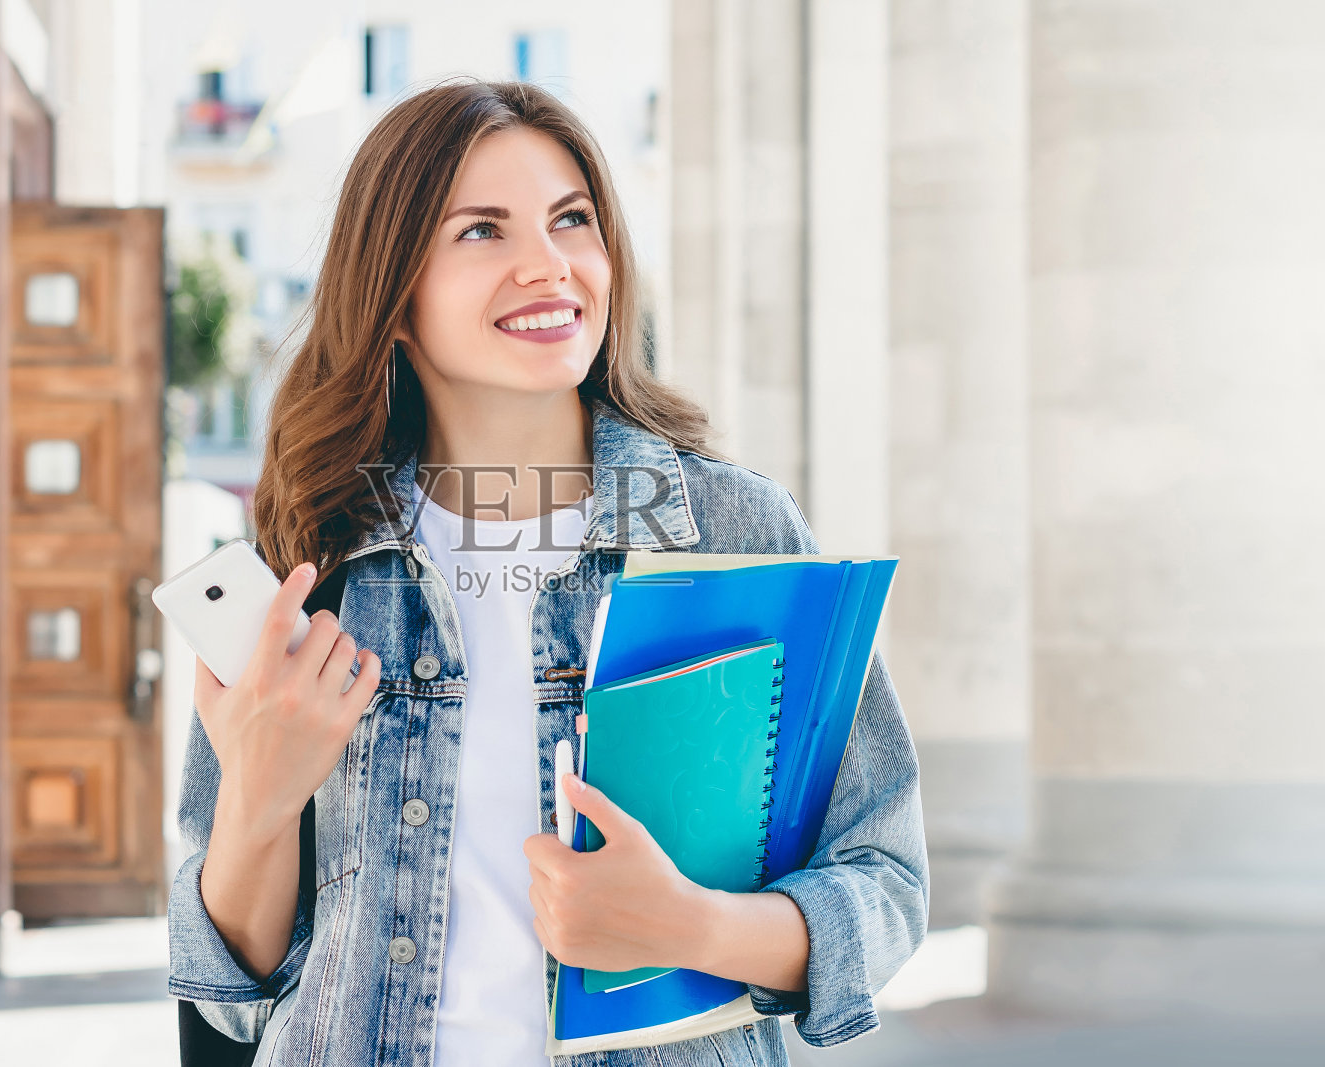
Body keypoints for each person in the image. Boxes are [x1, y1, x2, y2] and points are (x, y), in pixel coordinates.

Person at [168, 78, 927, 1067]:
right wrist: (258, 798)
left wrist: (690, 926)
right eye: (481, 231)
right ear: (392, 298)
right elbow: (233, 986)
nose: (549, 264)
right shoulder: (314, 554)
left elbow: (884, 877)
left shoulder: (729, 526)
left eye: (572, 220)